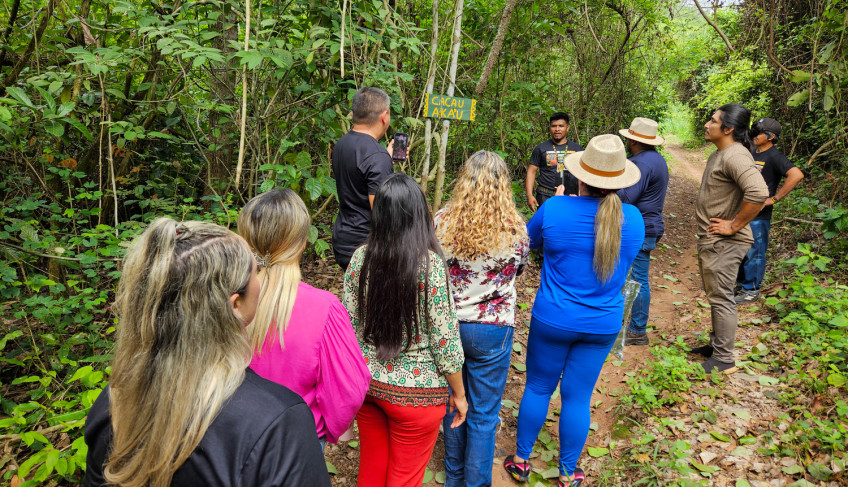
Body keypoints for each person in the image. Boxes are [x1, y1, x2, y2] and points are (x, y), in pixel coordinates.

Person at [84, 218, 330, 487]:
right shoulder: (279, 423)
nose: (260, 276)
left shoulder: (115, 402)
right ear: (235, 305)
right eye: (255, 270)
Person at [503, 134, 644, 487]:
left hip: (554, 316)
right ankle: (568, 473)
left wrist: (560, 204)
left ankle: (521, 460)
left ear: (580, 176)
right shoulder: (634, 219)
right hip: (602, 323)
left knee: (537, 386)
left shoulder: (554, 208)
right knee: (578, 397)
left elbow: (527, 244)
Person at [343, 173, 468, 487]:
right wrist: (460, 392)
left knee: (371, 472)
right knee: (404, 479)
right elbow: (445, 339)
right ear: (419, 215)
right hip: (418, 396)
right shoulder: (430, 266)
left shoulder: (360, 259)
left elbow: (349, 326)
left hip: (368, 386)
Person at [237, 189, 371, 450]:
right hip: (297, 440)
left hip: (232, 438)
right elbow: (349, 389)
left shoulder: (225, 300)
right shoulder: (325, 308)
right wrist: (324, 428)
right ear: (301, 242)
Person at [434, 151, 530, 487]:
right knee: (484, 414)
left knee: (453, 402)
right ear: (503, 185)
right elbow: (518, 268)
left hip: (449, 326)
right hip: (493, 328)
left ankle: (454, 478)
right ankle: (476, 483)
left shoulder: (442, 221)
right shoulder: (516, 229)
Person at [692, 104, 768, 373]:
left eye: (713, 121)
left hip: (725, 241)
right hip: (715, 241)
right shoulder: (722, 153)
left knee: (722, 298)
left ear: (728, 128)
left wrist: (733, 225)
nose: (707, 125)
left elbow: (758, 193)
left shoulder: (735, 155)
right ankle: (716, 345)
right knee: (717, 296)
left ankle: (723, 359)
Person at [734, 118, 803, 303]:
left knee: (754, 252)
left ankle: (751, 290)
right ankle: (741, 286)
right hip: (742, 211)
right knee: (741, 249)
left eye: (759, 133)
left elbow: (796, 174)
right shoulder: (750, 152)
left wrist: (774, 198)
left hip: (759, 215)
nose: (754, 135)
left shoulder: (774, 156)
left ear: (770, 137)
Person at [617, 117, 670, 346]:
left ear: (631, 140)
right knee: (633, 277)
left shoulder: (642, 163)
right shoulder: (656, 159)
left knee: (638, 279)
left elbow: (628, 197)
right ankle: (630, 324)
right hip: (648, 225)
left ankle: (637, 330)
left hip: (641, 227)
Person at [332, 86, 396, 270]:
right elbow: (381, 214)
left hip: (344, 240)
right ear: (384, 116)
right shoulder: (376, 157)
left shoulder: (342, 143)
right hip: (366, 247)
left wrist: (386, 160)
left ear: (354, 114)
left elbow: (359, 176)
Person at [525, 112, 584, 211]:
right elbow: (531, 171)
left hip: (570, 196)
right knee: (546, 224)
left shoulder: (577, 148)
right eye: (554, 126)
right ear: (550, 128)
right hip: (545, 195)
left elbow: (582, 173)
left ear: (567, 128)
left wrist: (582, 194)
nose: (557, 129)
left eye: (561, 126)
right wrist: (529, 195)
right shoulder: (541, 148)